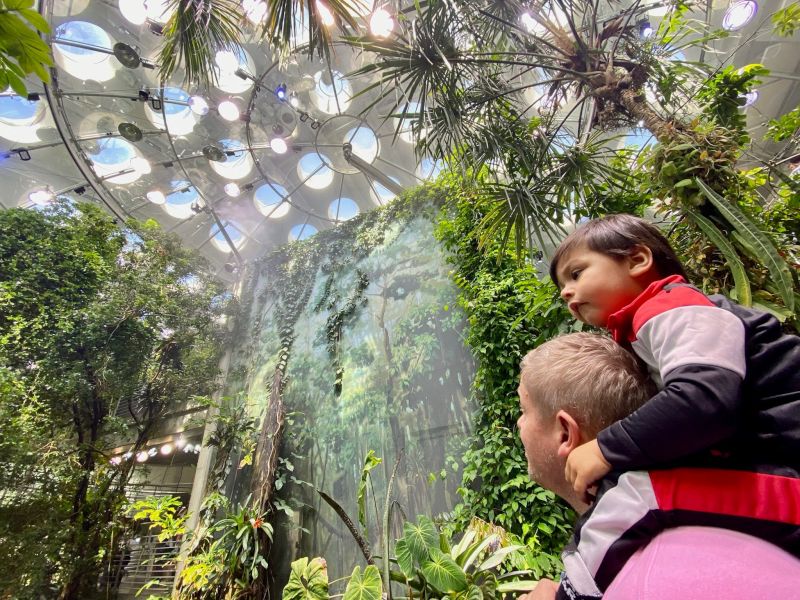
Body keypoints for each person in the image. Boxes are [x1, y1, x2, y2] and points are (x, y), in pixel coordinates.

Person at [517, 332, 800, 600]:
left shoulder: (659, 579)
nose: (519, 423)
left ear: (565, 433)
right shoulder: (680, 528)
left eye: (524, 411)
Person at [548, 214, 800, 497]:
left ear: (637, 260)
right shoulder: (647, 326)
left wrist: (606, 448)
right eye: (562, 287)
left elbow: (704, 400)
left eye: (576, 274)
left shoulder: (671, 307)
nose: (566, 292)